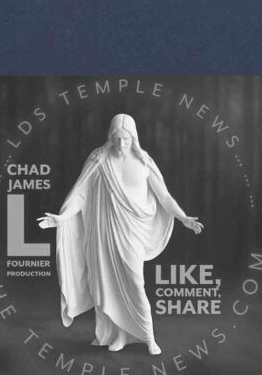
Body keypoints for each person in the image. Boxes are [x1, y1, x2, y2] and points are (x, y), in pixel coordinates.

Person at [38, 113, 203, 359]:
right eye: (117, 139)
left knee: (135, 284)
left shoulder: (144, 162)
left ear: (134, 138)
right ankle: (118, 335)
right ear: (110, 136)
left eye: (126, 139)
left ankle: (148, 337)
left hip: (132, 234)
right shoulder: (99, 160)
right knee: (107, 284)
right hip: (105, 234)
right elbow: (80, 194)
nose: (121, 144)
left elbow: (164, 197)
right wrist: (62, 218)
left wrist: (184, 218)